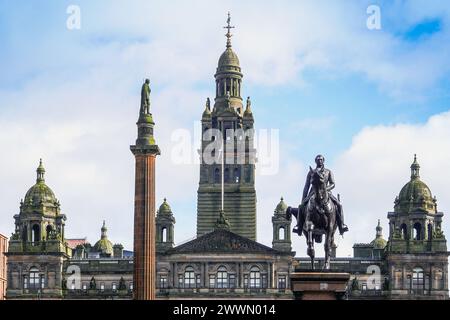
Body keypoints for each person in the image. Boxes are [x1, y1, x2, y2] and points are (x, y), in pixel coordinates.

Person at [294, 155, 348, 235]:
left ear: (323, 160)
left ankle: (342, 225)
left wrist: (326, 189)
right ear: (315, 161)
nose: (319, 161)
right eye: (318, 159)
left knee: (339, 205)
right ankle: (299, 226)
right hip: (313, 193)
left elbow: (333, 184)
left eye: (321, 159)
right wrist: (304, 198)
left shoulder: (328, 171)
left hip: (327, 192)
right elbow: (306, 186)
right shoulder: (311, 172)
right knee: (301, 206)